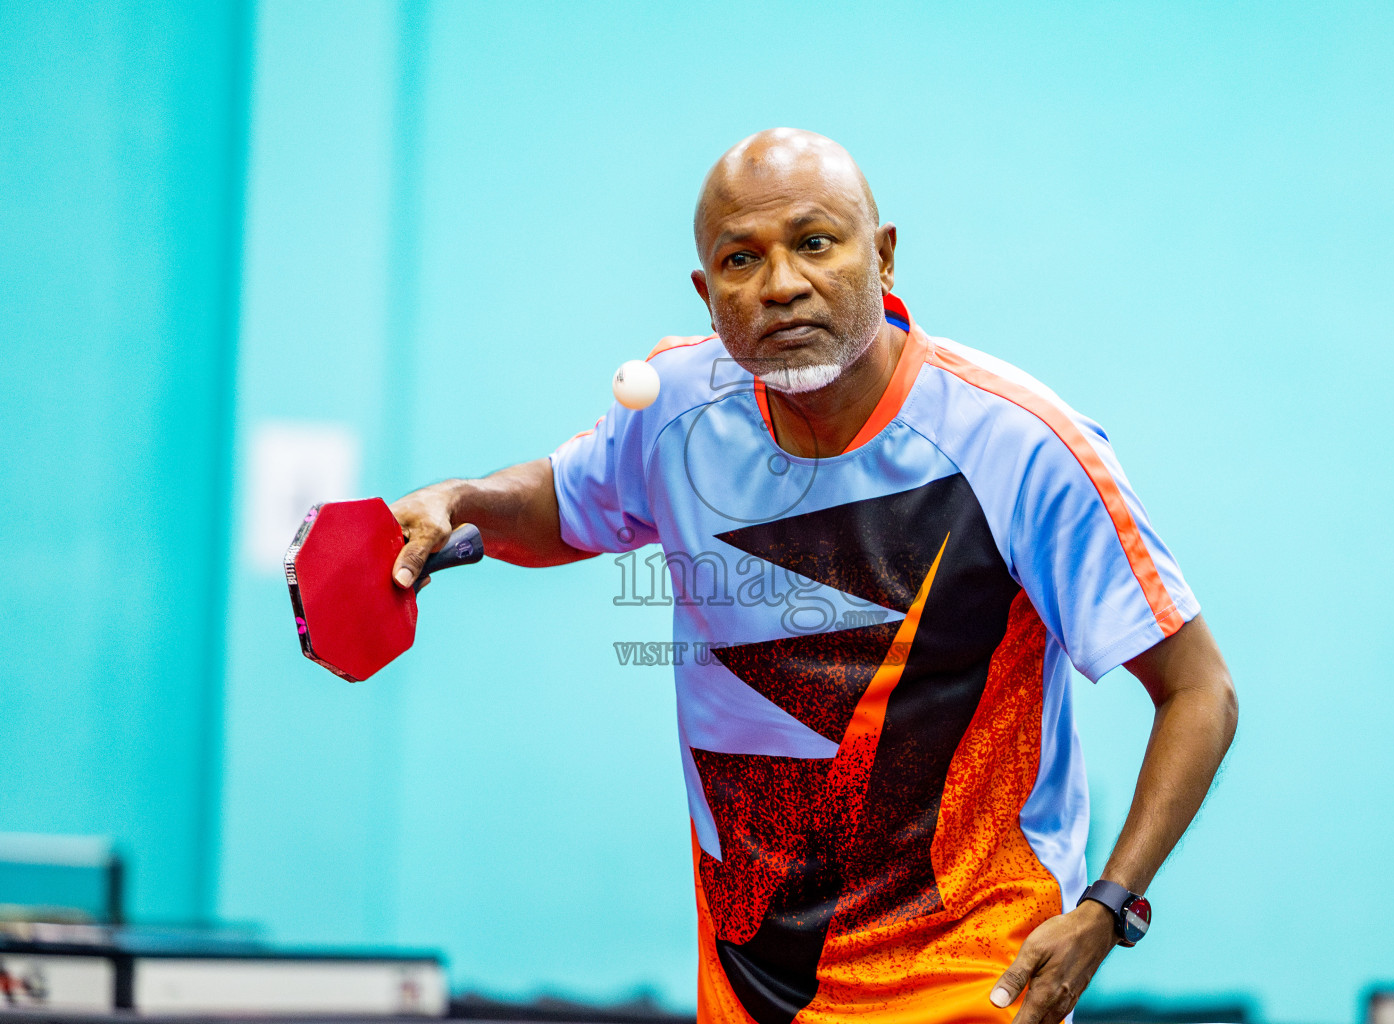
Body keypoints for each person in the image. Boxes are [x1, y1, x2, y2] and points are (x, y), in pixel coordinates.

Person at [389, 128, 1238, 1024]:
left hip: (971, 982)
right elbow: (562, 504)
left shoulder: (1021, 446)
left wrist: (1109, 908)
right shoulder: (675, 405)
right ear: (707, 293)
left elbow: (1200, 691)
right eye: (740, 258)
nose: (782, 282)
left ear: (885, 255)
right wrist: (462, 497)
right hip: (758, 991)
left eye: (815, 242)